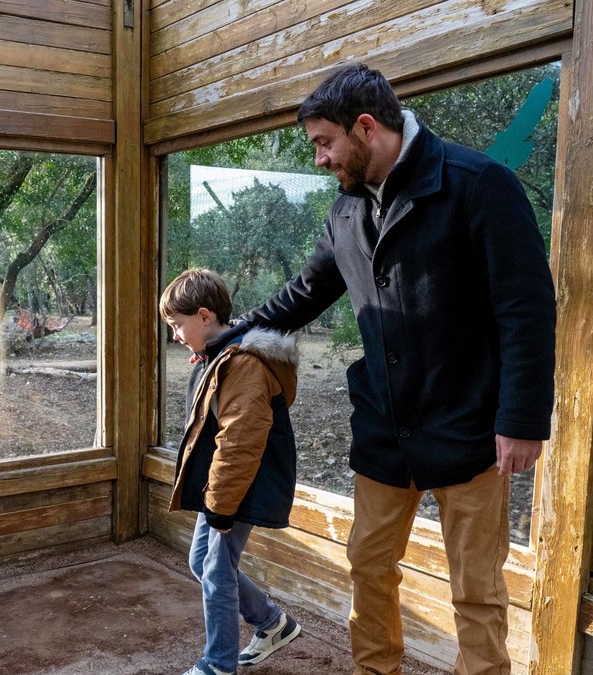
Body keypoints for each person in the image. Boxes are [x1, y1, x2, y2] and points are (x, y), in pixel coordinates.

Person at [238, 64, 556, 675]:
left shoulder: (478, 185)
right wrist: (232, 335)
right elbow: (304, 293)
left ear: (365, 127)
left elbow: (527, 308)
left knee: (477, 588)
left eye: (325, 143)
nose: (320, 160)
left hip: (472, 427)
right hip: (384, 429)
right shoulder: (347, 212)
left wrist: (521, 419)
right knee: (369, 567)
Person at [161, 268, 304, 675]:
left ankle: (218, 664)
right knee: (200, 561)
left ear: (204, 316)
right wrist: (210, 357)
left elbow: (239, 442)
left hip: (242, 486)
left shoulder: (243, 364)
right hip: (226, 485)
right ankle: (271, 621)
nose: (175, 335)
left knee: (216, 569)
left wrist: (222, 507)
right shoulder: (224, 355)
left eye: (178, 325)